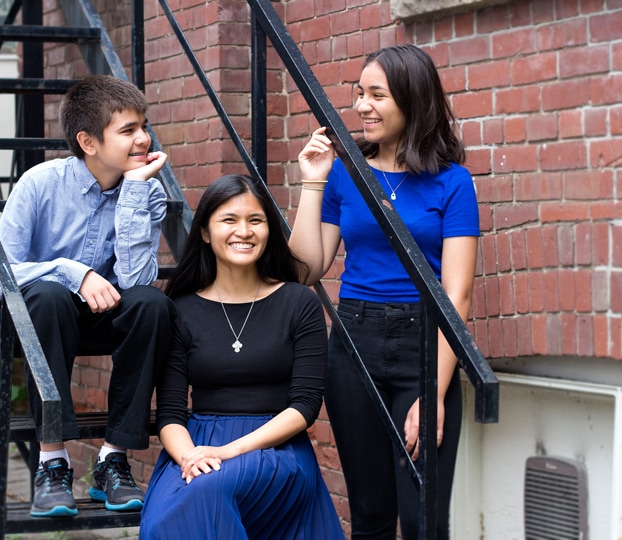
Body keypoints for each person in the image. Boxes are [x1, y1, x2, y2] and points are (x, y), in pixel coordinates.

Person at [289, 44, 480, 539]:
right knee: (371, 516)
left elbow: (456, 295)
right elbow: (306, 270)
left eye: (377, 94)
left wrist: (433, 394)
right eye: (358, 93)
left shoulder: (453, 182)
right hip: (354, 343)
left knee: (423, 520)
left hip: (426, 346)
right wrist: (313, 183)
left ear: (412, 100)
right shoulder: (345, 173)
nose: (361, 106)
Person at [0, 75, 176, 518]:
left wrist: (134, 194)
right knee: (49, 295)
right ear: (88, 141)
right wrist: (74, 272)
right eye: (128, 130)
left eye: (144, 126)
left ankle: (112, 459)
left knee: (154, 304)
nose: (143, 138)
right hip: (36, 318)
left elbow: (136, 281)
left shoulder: (148, 190)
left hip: (100, 315)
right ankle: (52, 461)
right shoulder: (40, 183)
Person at [139, 174, 345, 540]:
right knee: (162, 519)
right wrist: (190, 456)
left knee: (207, 493)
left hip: (275, 446)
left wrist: (229, 451)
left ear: (269, 230)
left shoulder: (299, 302)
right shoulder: (181, 310)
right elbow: (170, 413)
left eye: (255, 220)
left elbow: (305, 406)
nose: (244, 231)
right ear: (204, 232)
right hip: (197, 445)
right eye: (229, 220)